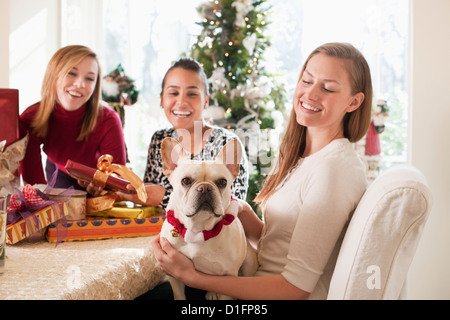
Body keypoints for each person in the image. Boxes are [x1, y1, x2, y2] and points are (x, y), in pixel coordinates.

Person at [151, 42, 373, 300]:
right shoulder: (304, 157)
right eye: (307, 80)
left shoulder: (334, 169)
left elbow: (295, 289)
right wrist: (247, 217)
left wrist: (192, 277)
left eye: (328, 88)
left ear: (354, 101)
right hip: (252, 281)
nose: (310, 93)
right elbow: (282, 244)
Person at [98, 58, 248, 209]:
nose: (181, 101)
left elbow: (235, 209)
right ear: (162, 99)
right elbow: (148, 204)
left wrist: (164, 197)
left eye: (192, 94)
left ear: (206, 101)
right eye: (174, 93)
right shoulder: (160, 140)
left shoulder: (227, 143)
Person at [19, 45, 126, 191]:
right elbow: (34, 185)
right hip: (59, 169)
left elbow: (118, 180)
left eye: (89, 78)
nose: (80, 84)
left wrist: (104, 189)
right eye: (71, 73)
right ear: (54, 75)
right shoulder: (30, 118)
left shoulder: (108, 120)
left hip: (96, 177)